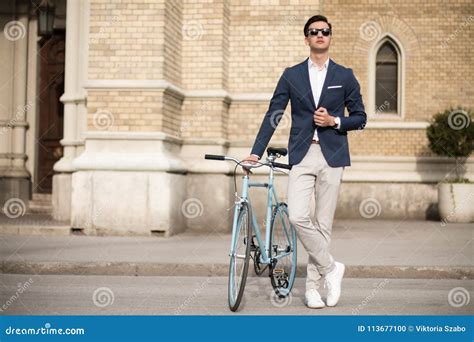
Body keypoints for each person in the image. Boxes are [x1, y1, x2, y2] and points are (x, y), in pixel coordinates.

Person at [243, 15, 367, 309]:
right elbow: (274, 113)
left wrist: (335, 121)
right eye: (314, 32)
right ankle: (331, 268)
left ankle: (313, 289)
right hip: (301, 154)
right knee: (298, 216)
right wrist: (256, 151)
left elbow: (361, 118)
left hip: (333, 154)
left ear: (330, 37)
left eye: (325, 31)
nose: (320, 35)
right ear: (307, 38)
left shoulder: (345, 75)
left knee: (323, 224)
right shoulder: (291, 75)